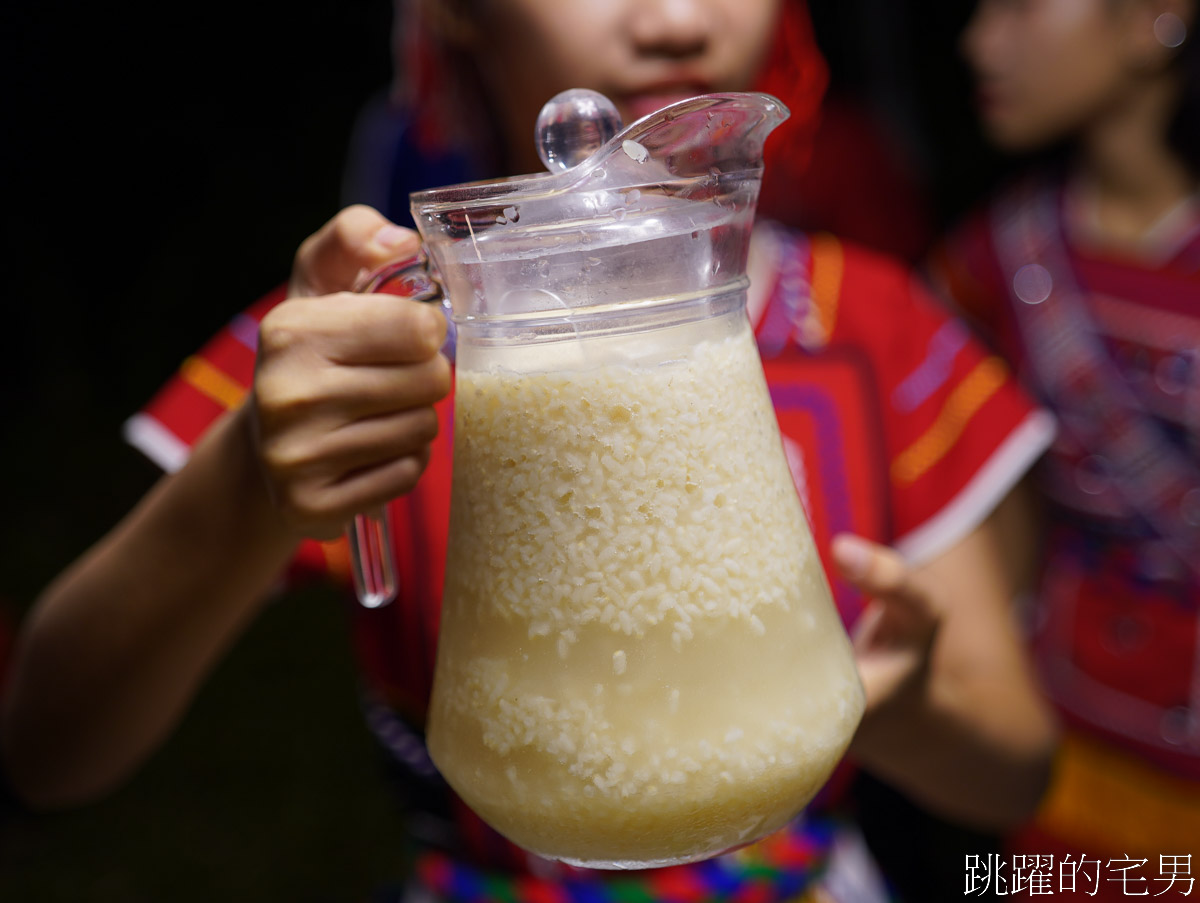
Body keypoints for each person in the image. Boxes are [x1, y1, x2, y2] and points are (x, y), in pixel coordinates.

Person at [1, 1, 1057, 900]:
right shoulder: (349, 347)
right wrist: (251, 480)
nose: (675, 19)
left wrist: (899, 701)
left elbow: (1016, 774)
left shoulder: (872, 325)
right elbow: (46, 747)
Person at [928, 0, 1200, 892]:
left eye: (1016, 4)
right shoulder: (993, 261)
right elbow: (994, 541)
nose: (978, 42)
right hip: (1075, 778)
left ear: (1155, 16)